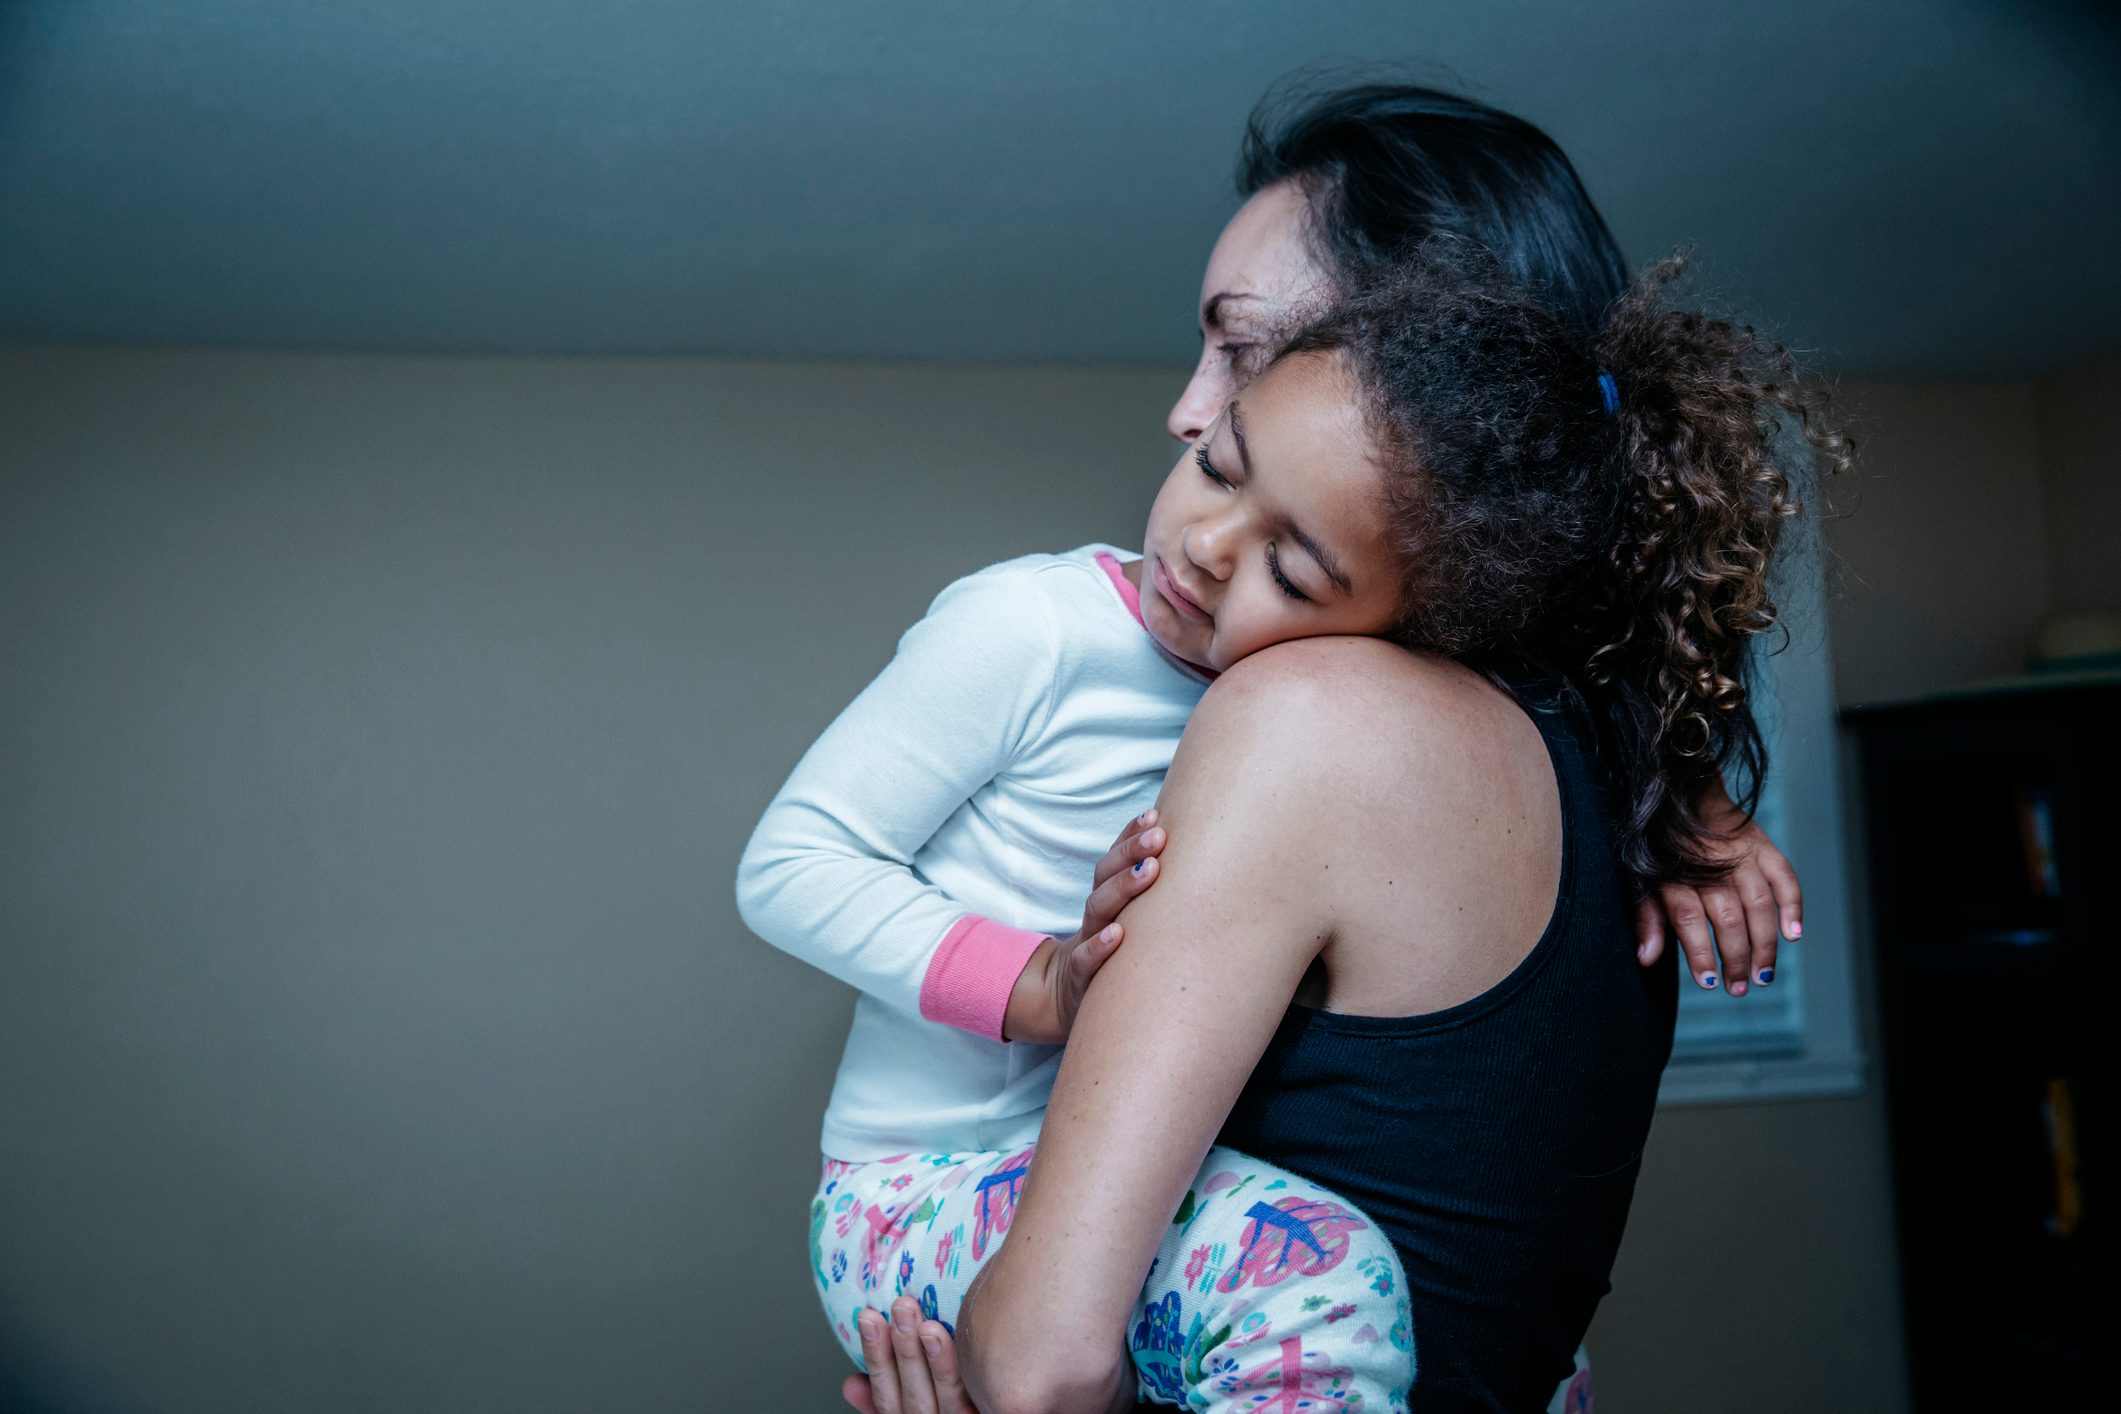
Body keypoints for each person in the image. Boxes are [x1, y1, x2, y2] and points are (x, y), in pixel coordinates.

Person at [835, 85, 1836, 1414]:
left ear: (1441, 368)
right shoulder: (1610, 770)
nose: (1188, 416)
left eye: (1247, 355)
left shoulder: (1302, 716)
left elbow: (1039, 1366)